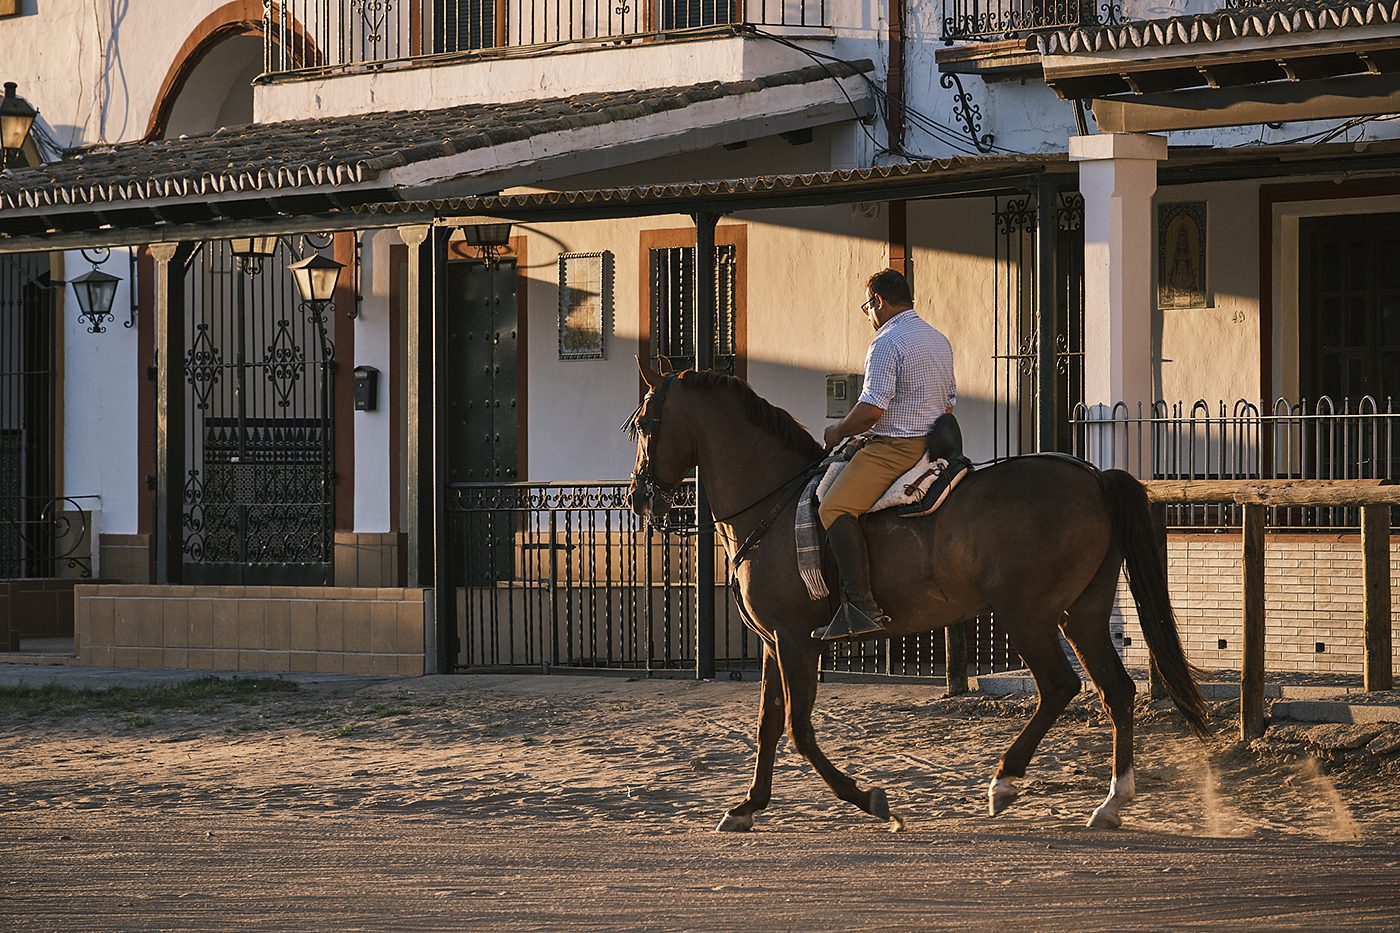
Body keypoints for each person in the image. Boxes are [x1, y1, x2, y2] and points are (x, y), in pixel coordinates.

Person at [816, 268, 956, 640]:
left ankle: (861, 606)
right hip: (935, 444)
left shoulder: (886, 341)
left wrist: (837, 431)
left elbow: (871, 411)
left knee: (833, 506)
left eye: (867, 306)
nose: (869, 315)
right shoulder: (938, 339)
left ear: (878, 301)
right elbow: (949, 405)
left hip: (895, 448)